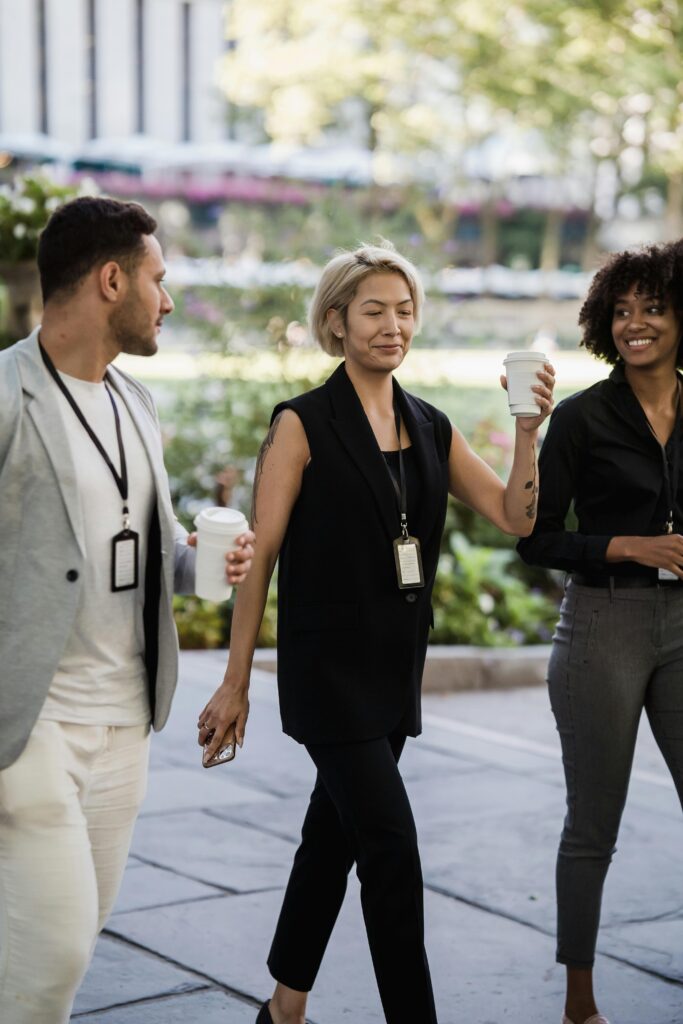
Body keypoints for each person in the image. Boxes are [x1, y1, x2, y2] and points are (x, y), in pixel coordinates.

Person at [198, 241, 555, 1024]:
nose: (393, 325)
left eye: (403, 310)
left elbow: (513, 517)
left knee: (333, 838)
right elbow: (257, 560)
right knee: (390, 845)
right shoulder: (301, 424)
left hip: (393, 673)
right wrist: (234, 680)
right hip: (327, 674)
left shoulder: (428, 425)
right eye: (373, 311)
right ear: (335, 323)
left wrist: (526, 427)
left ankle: (283, 1009)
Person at [0, 196, 254, 1024]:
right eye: (159, 279)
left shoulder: (136, 404)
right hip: (31, 723)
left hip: (124, 726)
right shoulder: (6, 398)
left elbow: (148, 546)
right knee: (56, 952)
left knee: (67, 938)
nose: (168, 300)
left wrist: (198, 563)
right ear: (112, 281)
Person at [517, 241, 683, 1024]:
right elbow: (536, 539)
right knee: (594, 822)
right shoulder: (582, 420)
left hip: (682, 626)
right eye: (621, 311)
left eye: (652, 308)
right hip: (602, 625)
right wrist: (627, 545)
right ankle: (578, 1001)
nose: (634, 324)